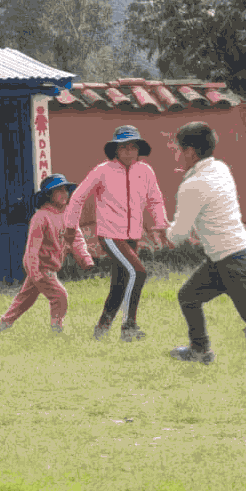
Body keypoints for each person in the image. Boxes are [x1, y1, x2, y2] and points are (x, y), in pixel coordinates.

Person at [166, 122, 246, 362]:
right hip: (229, 256)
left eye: (178, 149)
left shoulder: (192, 185)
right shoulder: (220, 169)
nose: (176, 154)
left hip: (231, 260)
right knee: (188, 296)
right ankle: (200, 350)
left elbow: (178, 235)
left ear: (190, 152)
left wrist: (165, 231)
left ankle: (200, 350)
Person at [64, 124, 171, 342]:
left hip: (133, 236)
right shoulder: (103, 170)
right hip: (110, 236)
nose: (129, 152)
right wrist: (70, 227)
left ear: (139, 149)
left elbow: (155, 199)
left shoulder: (146, 171)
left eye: (133, 147)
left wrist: (161, 225)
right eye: (124, 147)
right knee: (137, 272)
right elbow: (78, 197)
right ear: (115, 150)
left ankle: (101, 328)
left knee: (120, 282)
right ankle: (128, 327)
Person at [0, 174, 91, 334]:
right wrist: (34, 272)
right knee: (59, 295)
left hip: (49, 268)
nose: (64, 194)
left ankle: (2, 325)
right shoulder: (40, 217)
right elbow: (31, 250)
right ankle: (56, 329)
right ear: (48, 195)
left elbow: (76, 238)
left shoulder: (68, 215)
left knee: (24, 300)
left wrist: (85, 258)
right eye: (58, 190)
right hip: (41, 267)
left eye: (65, 190)